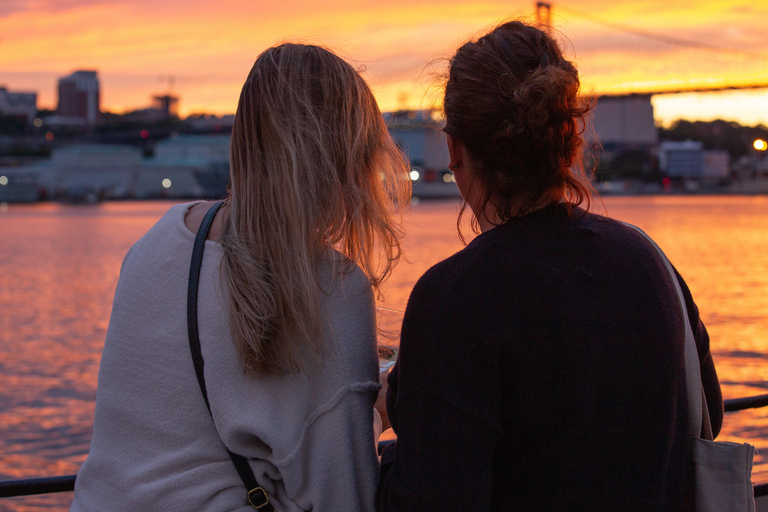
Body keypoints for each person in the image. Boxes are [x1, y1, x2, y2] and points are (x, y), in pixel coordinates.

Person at [377, 21, 722, 511]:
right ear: (570, 141)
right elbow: (708, 412)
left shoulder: (454, 296)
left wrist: (401, 424)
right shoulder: (650, 261)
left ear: (454, 151)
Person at [70, 43, 410, 512]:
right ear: (350, 158)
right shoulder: (334, 288)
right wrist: (371, 413)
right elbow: (343, 497)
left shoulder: (158, 241)